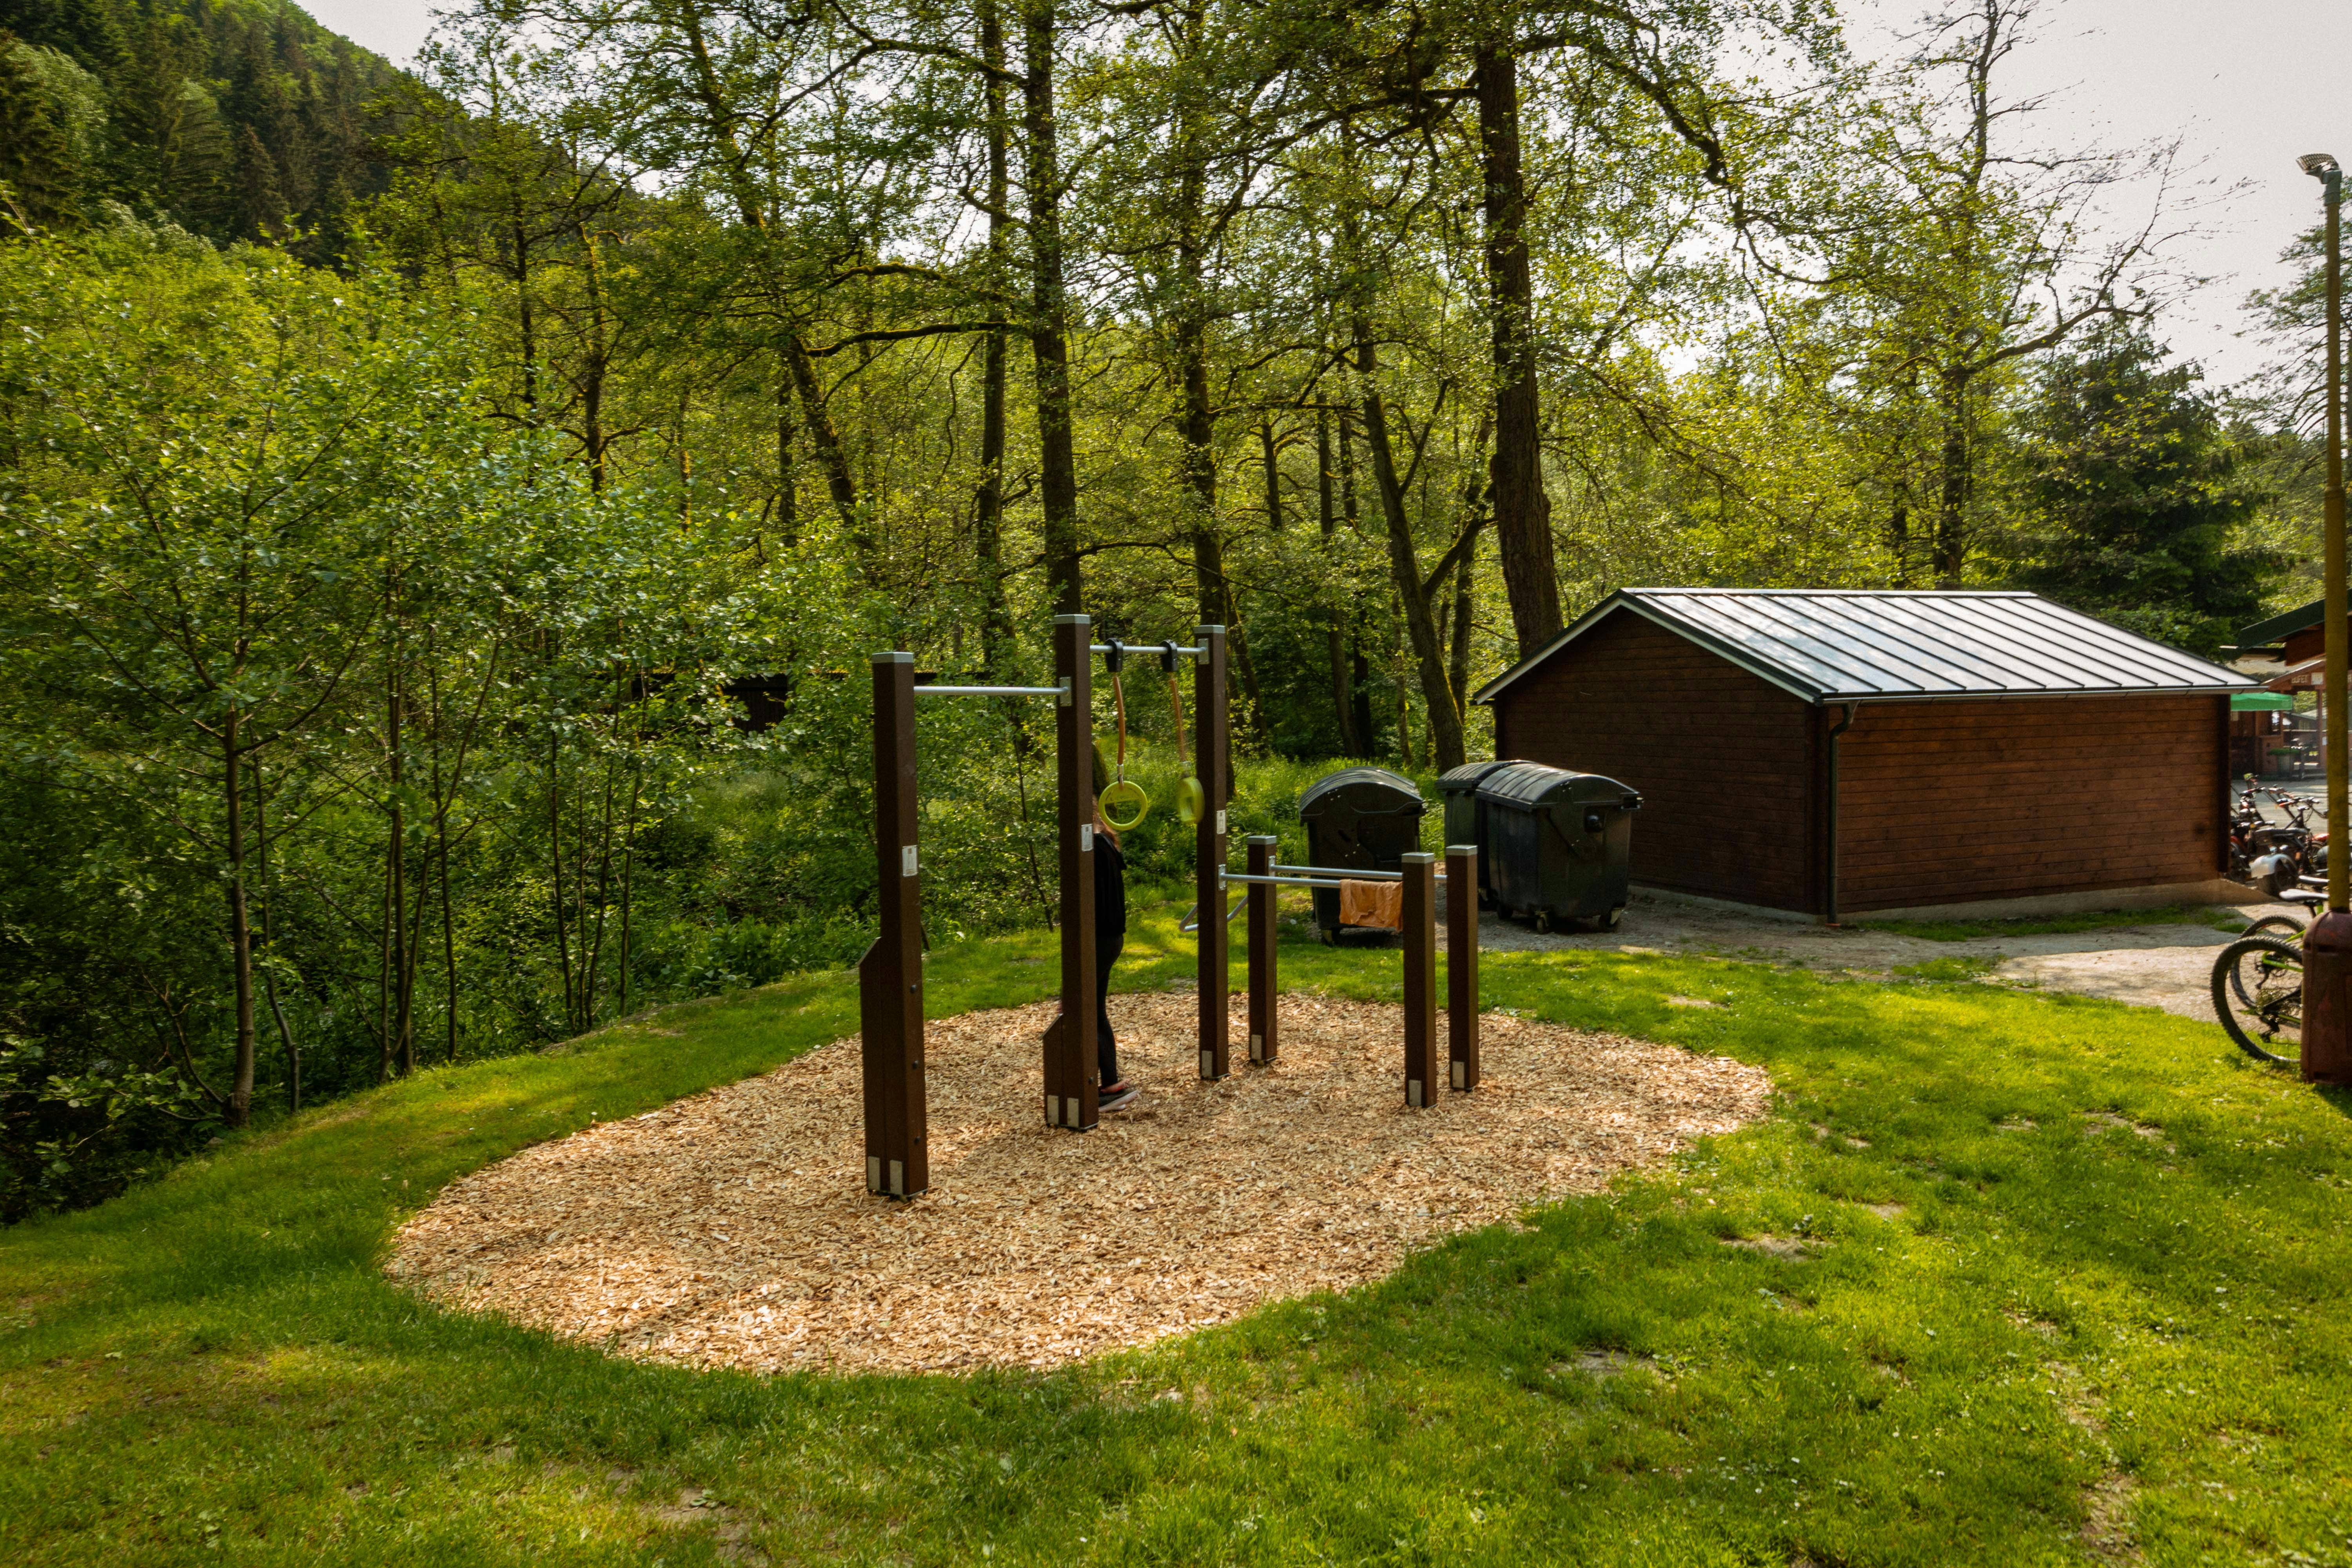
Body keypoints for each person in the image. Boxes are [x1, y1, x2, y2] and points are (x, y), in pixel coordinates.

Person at [1093, 746, 1139, 1112]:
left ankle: (1108, 1085)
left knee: (1085, 1008)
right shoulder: (1106, 840)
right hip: (1111, 936)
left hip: (1100, 937)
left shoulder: (1092, 845)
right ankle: (1109, 1083)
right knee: (1092, 1007)